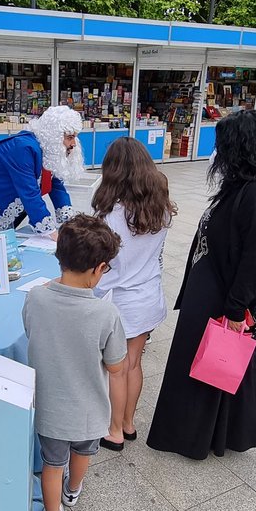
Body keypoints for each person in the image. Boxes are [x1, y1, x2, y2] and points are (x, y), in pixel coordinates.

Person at [146, 109, 256, 460]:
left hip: (221, 296)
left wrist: (235, 308)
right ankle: (190, 432)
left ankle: (194, 436)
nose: (217, 151)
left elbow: (253, 260)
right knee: (200, 365)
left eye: (222, 143)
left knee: (210, 365)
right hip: (206, 291)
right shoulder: (238, 186)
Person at [22, 215, 127, 511]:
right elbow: (115, 366)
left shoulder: (35, 298)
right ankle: (73, 491)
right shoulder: (105, 314)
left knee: (51, 465)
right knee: (81, 454)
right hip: (89, 410)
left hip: (50, 409)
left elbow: (31, 332)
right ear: (97, 269)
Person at [91, 138, 176, 450]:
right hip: (148, 296)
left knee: (116, 369)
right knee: (134, 363)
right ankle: (128, 423)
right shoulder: (161, 211)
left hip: (120, 301)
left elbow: (103, 267)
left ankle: (112, 430)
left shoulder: (110, 216)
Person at [0, 104, 85, 237]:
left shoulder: (49, 149)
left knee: (4, 236)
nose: (74, 143)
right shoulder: (23, 148)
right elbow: (29, 191)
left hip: (5, 190)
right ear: (54, 136)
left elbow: (56, 185)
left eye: (75, 137)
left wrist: (70, 222)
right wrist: (51, 232)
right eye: (70, 137)